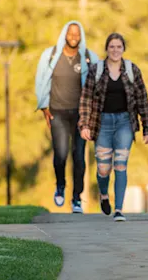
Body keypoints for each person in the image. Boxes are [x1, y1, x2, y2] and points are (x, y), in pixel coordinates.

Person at [78, 33, 148, 222]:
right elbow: (86, 99)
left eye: (119, 46)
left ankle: (119, 209)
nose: (115, 50)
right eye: (112, 46)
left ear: (123, 49)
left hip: (124, 123)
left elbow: (142, 98)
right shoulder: (97, 70)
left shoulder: (131, 69)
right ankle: (104, 194)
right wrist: (84, 124)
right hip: (102, 123)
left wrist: (147, 126)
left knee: (120, 164)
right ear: (106, 49)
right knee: (103, 168)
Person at [35, 21, 99, 214]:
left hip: (81, 116)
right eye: (70, 33)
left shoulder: (88, 58)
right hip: (58, 113)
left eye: (77, 34)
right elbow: (40, 80)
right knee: (61, 154)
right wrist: (44, 107)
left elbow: (98, 84)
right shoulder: (51, 55)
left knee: (79, 157)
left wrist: (93, 112)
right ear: (64, 34)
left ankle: (76, 198)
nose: (73, 37)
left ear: (81, 36)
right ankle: (60, 185)